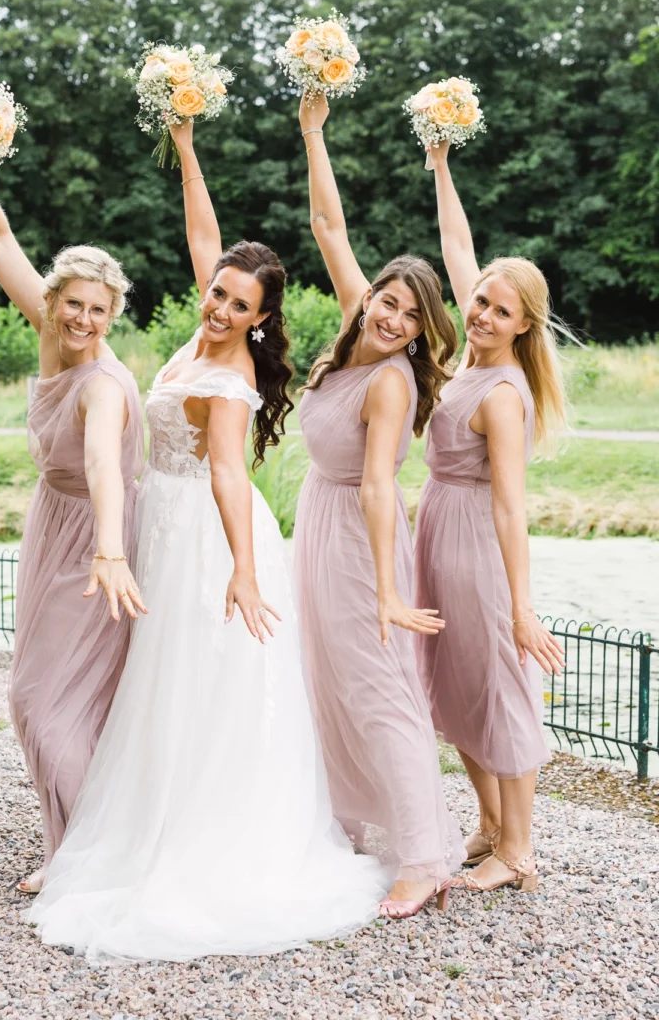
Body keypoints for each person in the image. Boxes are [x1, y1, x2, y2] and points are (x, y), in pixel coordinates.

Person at [27, 119, 386, 962]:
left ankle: (197, 838)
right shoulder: (199, 335)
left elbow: (231, 478)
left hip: (209, 538)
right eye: (216, 292)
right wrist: (186, 148)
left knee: (196, 685)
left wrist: (246, 573)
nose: (217, 305)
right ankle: (134, 816)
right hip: (163, 519)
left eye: (235, 303)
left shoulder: (230, 378)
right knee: (154, 684)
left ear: (261, 321)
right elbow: (204, 236)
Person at [292, 92, 465, 919]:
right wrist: (314, 133)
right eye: (389, 302)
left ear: (424, 330)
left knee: (378, 687)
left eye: (411, 314)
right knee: (326, 679)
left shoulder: (392, 382)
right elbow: (330, 228)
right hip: (319, 528)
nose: (394, 318)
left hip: (364, 539)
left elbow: (374, 484)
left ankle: (425, 859)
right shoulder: (353, 332)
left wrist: (391, 592)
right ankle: (349, 818)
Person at [0, 161, 145, 895]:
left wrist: (110, 549)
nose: (82, 321)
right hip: (53, 524)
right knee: (56, 697)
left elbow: (102, 464)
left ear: (113, 315)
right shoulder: (51, 333)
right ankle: (78, 842)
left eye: (99, 311)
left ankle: (90, 854)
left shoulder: (100, 384)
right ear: (53, 300)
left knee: (42, 700)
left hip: (98, 542)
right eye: (73, 305)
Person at [415, 140, 567, 895]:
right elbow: (457, 246)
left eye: (498, 309)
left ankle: (521, 852)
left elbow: (512, 504)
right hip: (436, 532)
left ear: (521, 326)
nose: (479, 312)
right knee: (451, 686)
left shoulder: (503, 394)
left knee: (498, 690)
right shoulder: (469, 358)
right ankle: (487, 826)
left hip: (476, 544)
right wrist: (442, 165)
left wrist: (521, 606)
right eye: (480, 300)